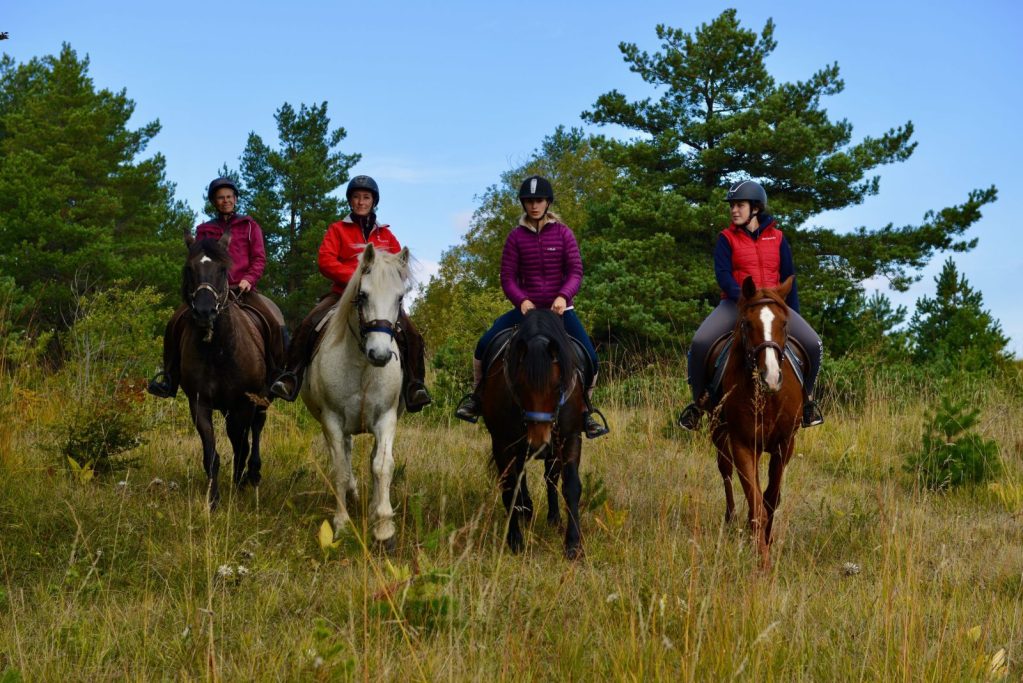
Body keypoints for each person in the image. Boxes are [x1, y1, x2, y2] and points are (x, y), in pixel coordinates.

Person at [454, 175, 609, 439]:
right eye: (529, 201)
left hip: (560, 312)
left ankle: (585, 411)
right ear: (523, 204)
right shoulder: (515, 237)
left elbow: (575, 271)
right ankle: (477, 397)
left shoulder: (563, 234)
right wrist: (522, 301)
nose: (534, 205)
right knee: (484, 344)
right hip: (526, 311)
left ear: (548, 202)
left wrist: (563, 296)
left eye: (538, 200)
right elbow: (507, 278)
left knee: (591, 358)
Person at [269, 175, 432, 411]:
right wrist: (355, 279)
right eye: (356, 197)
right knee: (309, 323)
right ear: (350, 201)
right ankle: (291, 377)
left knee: (412, 334)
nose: (361, 202)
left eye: (366, 197)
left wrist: (383, 283)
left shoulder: (386, 235)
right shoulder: (337, 229)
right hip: (341, 295)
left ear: (374, 202)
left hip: (378, 300)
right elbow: (325, 261)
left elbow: (399, 266)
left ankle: (415, 386)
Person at [677, 180, 824, 430]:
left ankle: (807, 402)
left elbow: (789, 276)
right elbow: (723, 275)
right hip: (735, 304)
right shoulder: (726, 238)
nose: (734, 210)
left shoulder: (778, 238)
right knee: (700, 343)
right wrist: (746, 298)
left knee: (813, 344)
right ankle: (697, 405)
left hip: (774, 306)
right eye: (732, 206)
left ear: (755, 208)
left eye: (740, 205)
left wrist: (792, 313)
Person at [148, 176, 287, 398]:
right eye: (221, 198)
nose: (226, 201)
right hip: (210, 290)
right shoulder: (204, 230)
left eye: (229, 197)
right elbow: (197, 260)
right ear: (214, 201)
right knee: (175, 322)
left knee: (273, 322)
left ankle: (277, 375)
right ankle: (169, 379)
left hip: (242, 289)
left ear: (236, 199)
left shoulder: (250, 226)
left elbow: (259, 258)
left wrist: (249, 279)